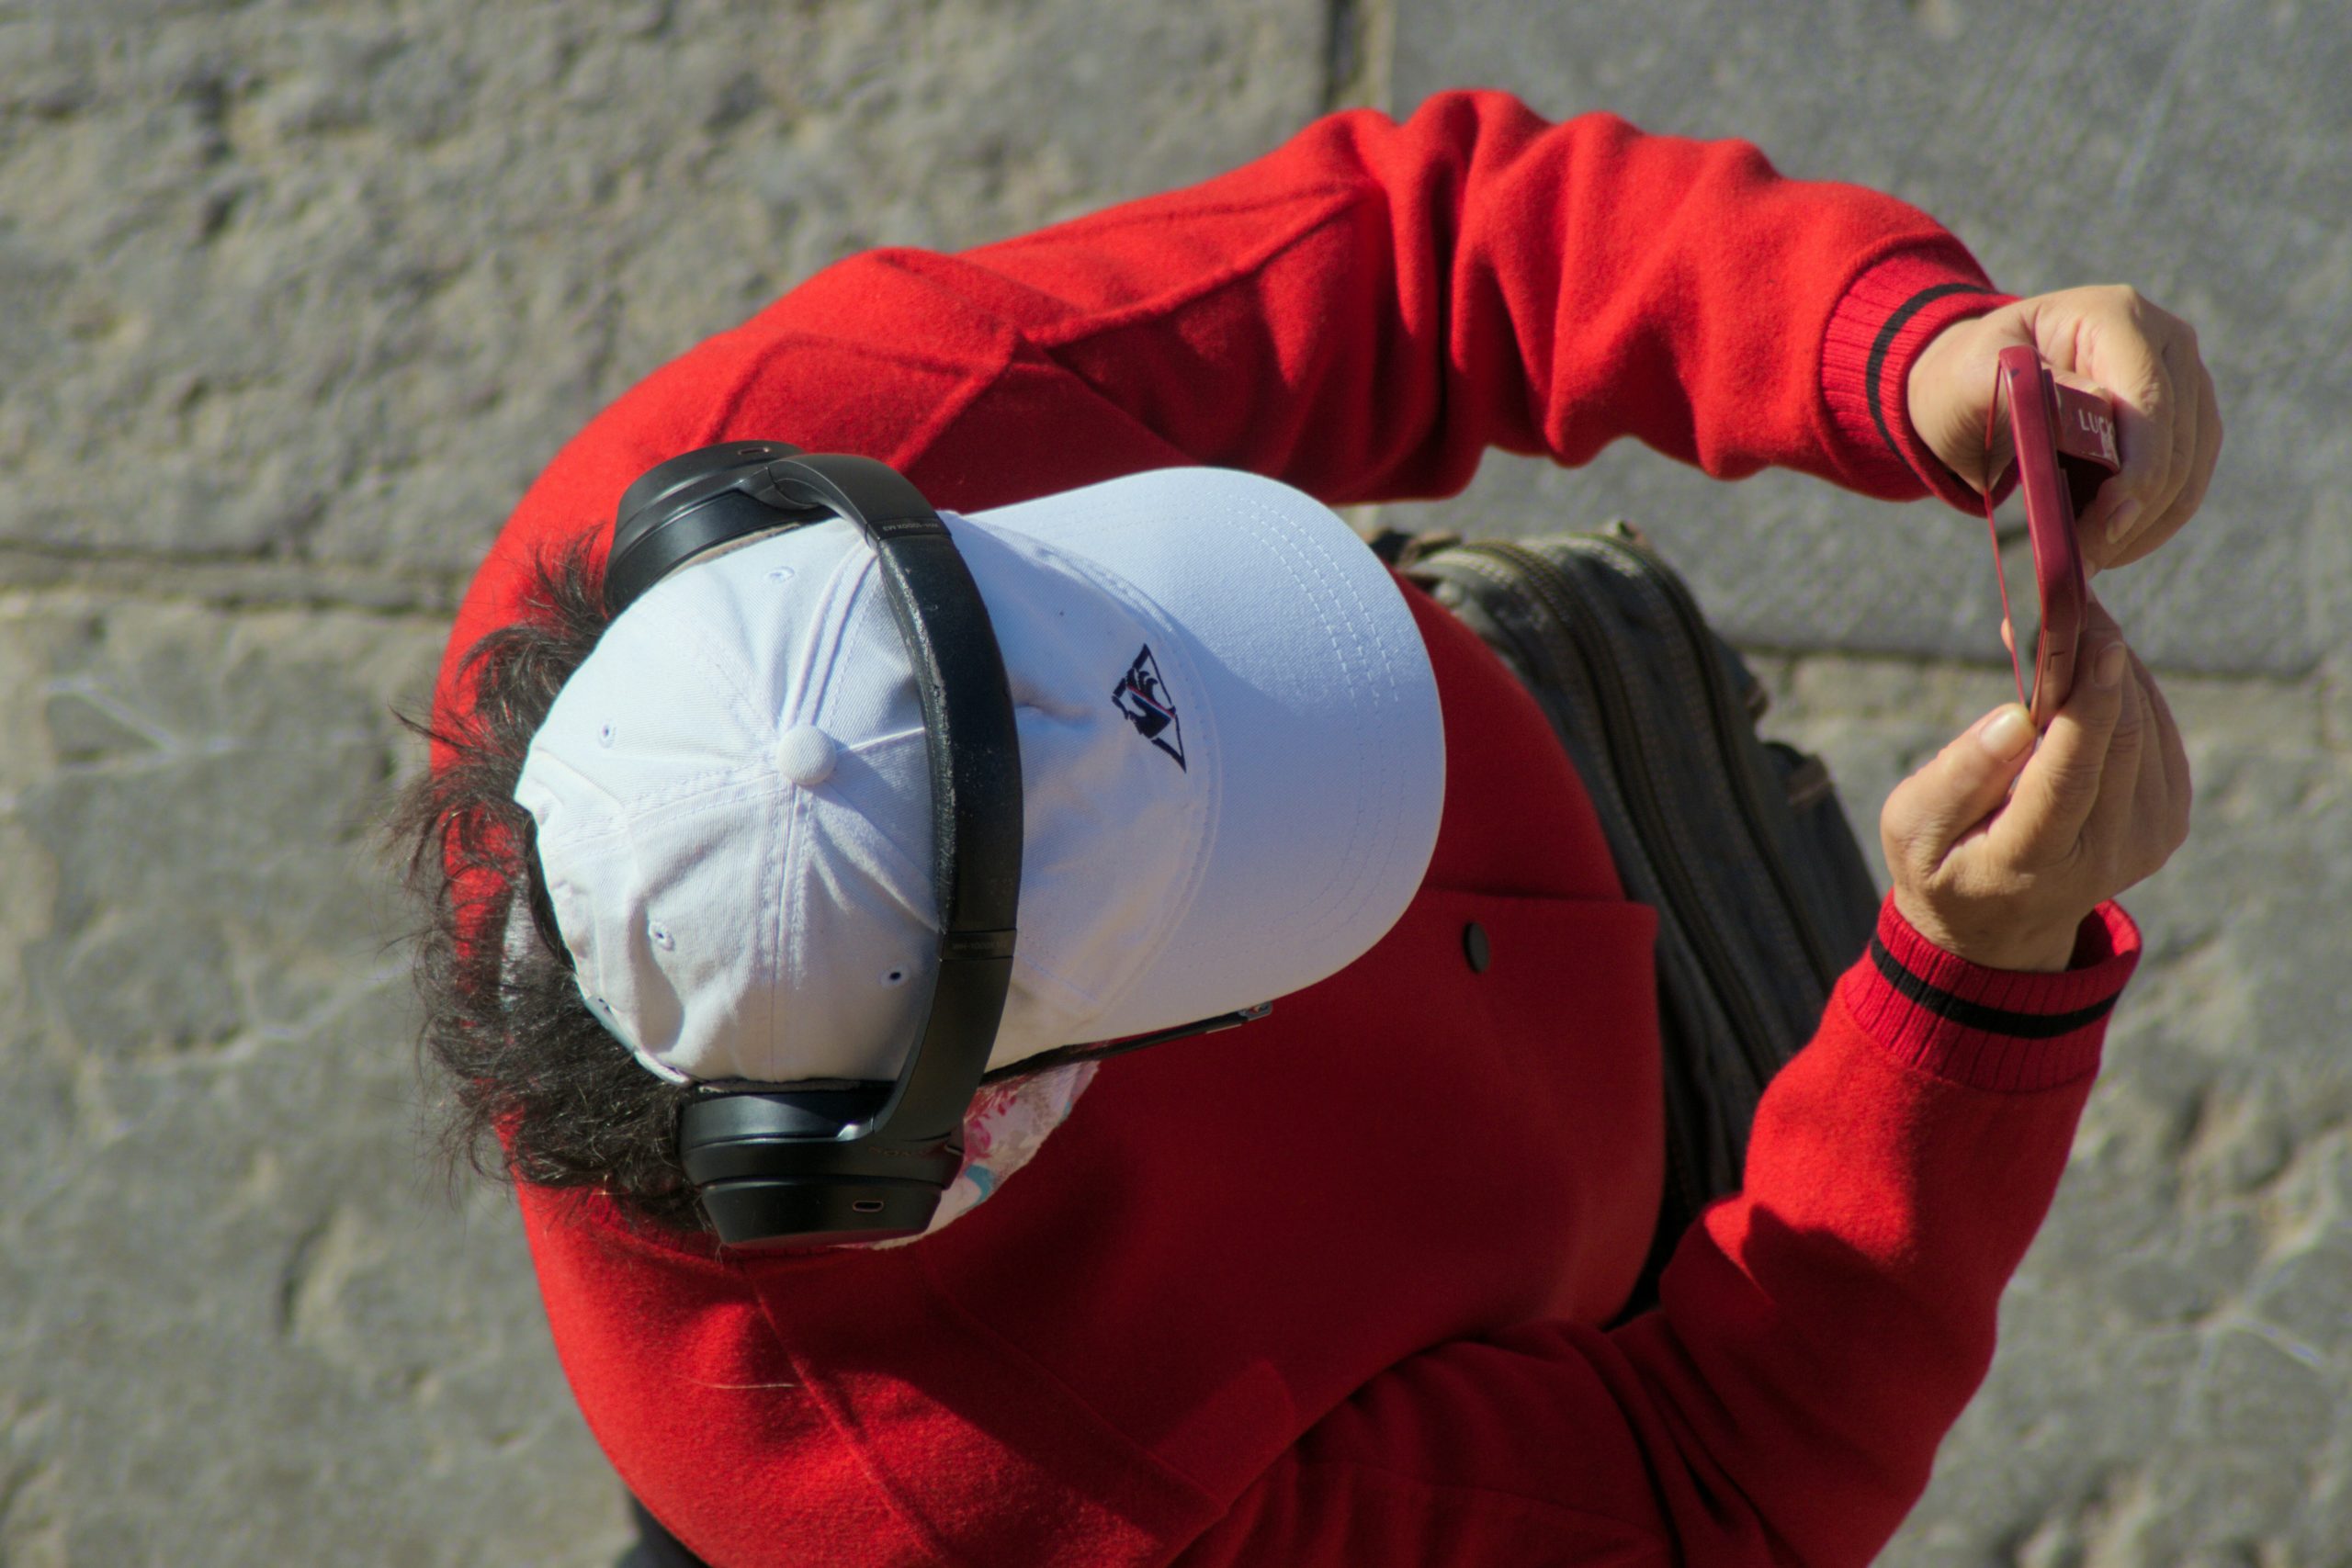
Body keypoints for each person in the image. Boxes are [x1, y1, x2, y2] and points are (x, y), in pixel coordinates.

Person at [401, 90, 2218, 1567]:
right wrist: (1962, 1006)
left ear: (759, 530)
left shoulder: (786, 439)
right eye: (1231, 885)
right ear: (970, 1133)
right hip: (1646, 1215)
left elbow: (1419, 257)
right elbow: (1705, 1485)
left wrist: (1891, 346)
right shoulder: (1013, 1488)